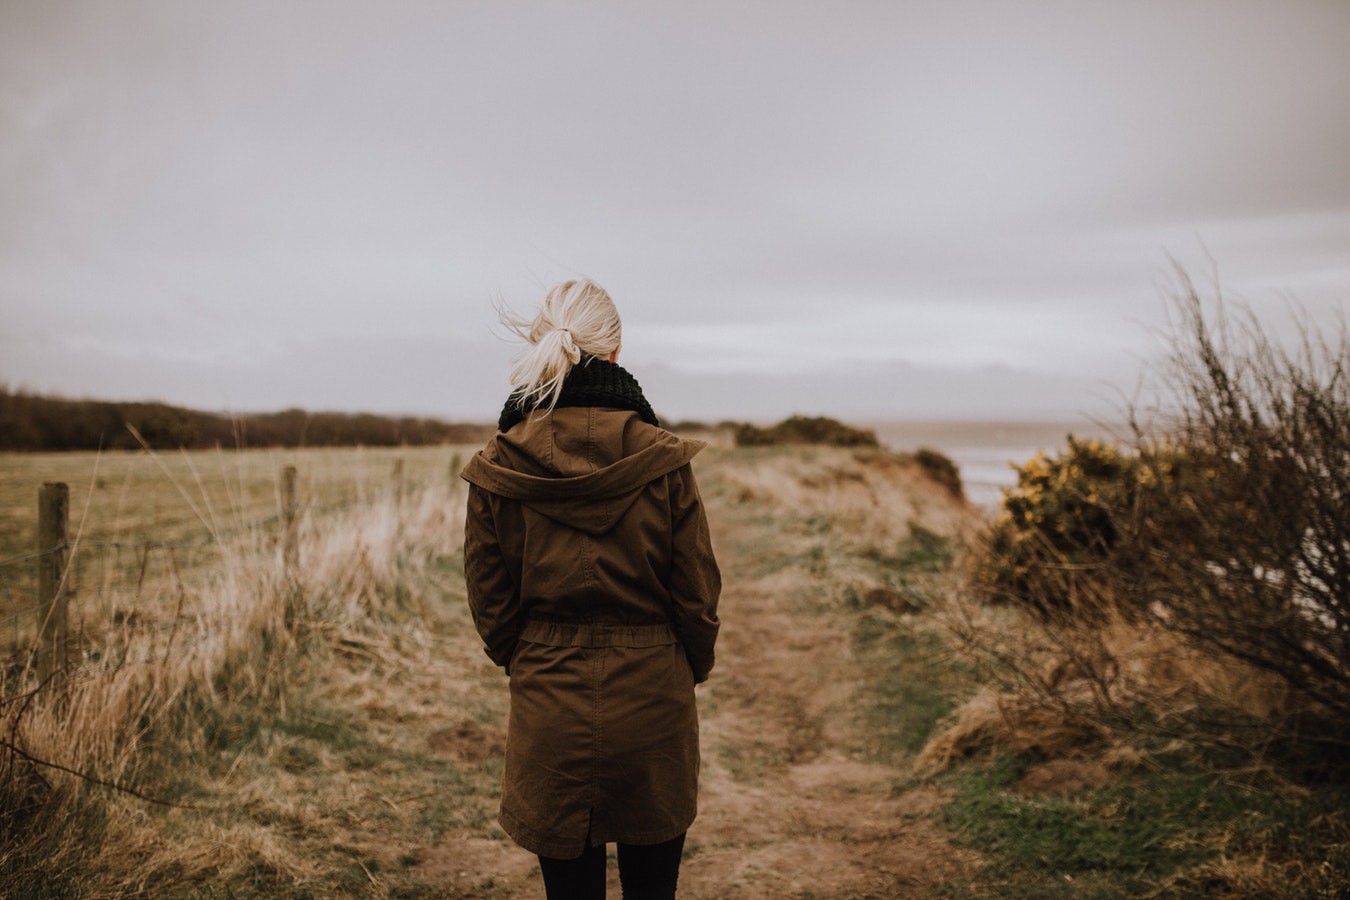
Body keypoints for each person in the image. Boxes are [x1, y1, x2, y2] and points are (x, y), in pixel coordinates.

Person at [460, 278, 721, 899]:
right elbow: (698, 596)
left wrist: (528, 660)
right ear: (616, 350)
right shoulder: (664, 460)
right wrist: (685, 666)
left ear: (542, 344)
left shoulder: (497, 463)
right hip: (654, 697)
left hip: (549, 700)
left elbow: (490, 603)